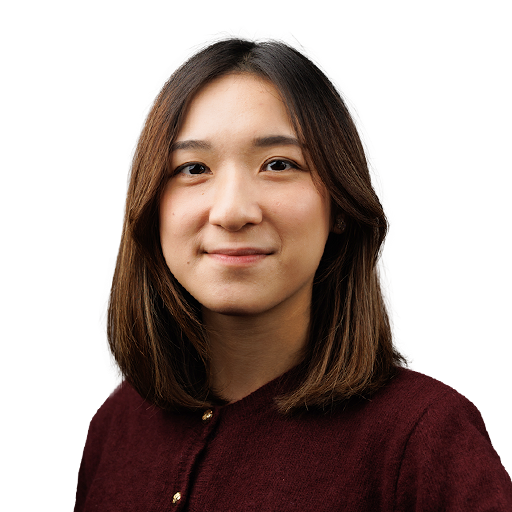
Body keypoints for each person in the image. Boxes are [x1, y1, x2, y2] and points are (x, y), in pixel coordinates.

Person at [75, 37, 512, 511]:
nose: (232, 212)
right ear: (151, 209)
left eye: (278, 164)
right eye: (193, 167)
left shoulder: (425, 437)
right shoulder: (117, 425)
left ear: (339, 205)